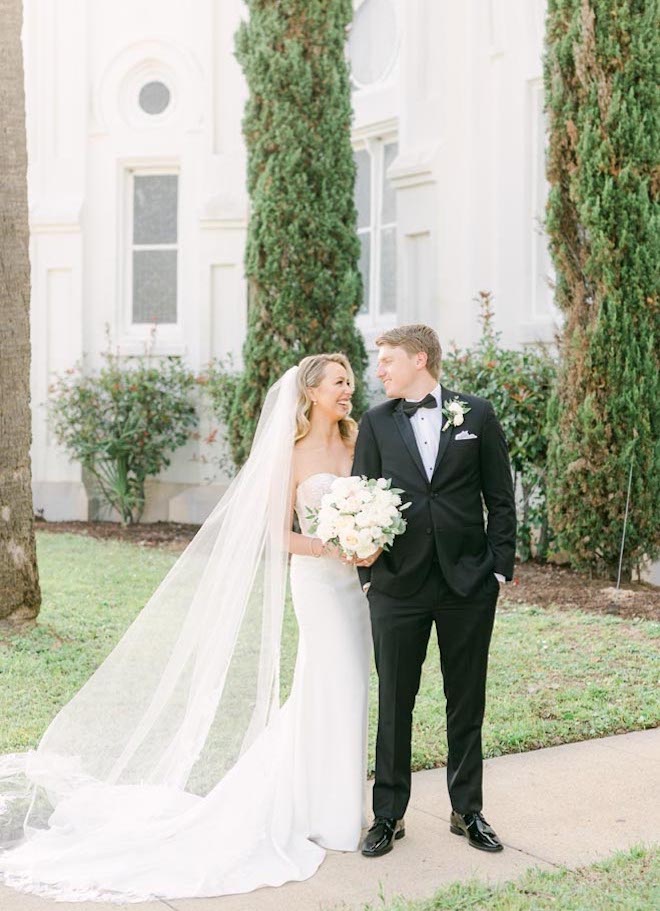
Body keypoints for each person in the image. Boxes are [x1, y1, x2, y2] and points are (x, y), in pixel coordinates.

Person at [0, 354, 371, 902]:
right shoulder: (289, 455)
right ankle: (316, 811)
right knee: (327, 682)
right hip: (317, 582)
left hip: (355, 588)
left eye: (350, 382)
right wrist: (329, 545)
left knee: (352, 688)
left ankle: (336, 807)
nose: (349, 389)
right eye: (340, 381)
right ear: (311, 391)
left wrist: (368, 540)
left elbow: (376, 504)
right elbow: (275, 535)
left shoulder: (358, 441)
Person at [352, 324, 516, 857]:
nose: (379, 370)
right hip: (398, 585)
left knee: (466, 700)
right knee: (395, 702)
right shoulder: (376, 424)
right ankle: (388, 815)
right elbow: (361, 499)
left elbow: (501, 497)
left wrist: (497, 570)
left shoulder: (478, 414)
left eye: (387, 360)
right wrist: (369, 576)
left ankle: (467, 810)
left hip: (468, 583)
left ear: (419, 359)